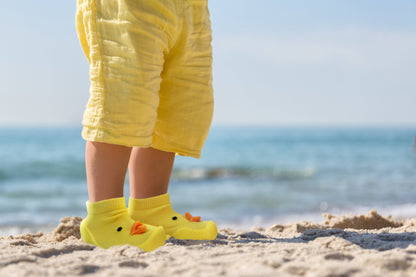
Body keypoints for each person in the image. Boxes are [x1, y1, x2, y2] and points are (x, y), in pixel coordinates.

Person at [75, 0, 217, 252]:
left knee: (177, 108)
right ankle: (104, 217)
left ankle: (151, 207)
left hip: (190, 9)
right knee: (123, 100)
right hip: (129, 7)